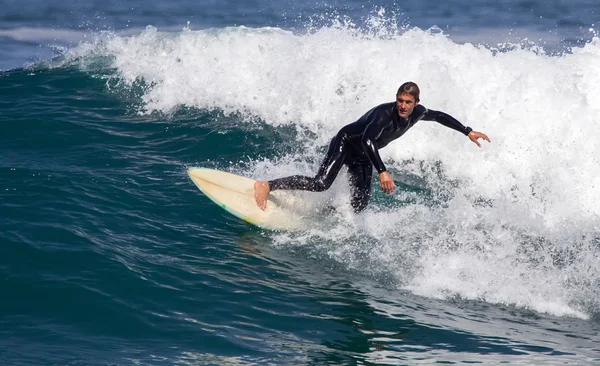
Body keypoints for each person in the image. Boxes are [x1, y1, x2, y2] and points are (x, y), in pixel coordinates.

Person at [254, 82, 490, 212]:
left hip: (364, 156)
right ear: (396, 98)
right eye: (400, 100)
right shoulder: (383, 115)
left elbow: (439, 116)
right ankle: (267, 185)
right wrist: (383, 171)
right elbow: (367, 140)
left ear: (416, 103)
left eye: (408, 102)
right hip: (347, 144)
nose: (403, 106)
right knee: (321, 183)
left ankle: (327, 214)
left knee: (359, 204)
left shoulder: (419, 112)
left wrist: (467, 131)